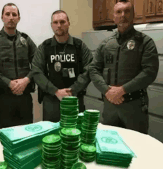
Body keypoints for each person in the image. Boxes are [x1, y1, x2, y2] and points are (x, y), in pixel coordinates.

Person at [89, 0, 159, 134]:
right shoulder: (105, 44)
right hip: (110, 106)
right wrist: (107, 91)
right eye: (118, 12)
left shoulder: (145, 42)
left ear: (133, 15)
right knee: (109, 144)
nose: (123, 15)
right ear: (113, 17)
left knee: (136, 147)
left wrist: (122, 90)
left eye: (127, 11)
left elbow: (149, 72)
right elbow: (93, 69)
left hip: (135, 107)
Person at [31, 10, 93, 122]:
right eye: (55, 22)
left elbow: (89, 69)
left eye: (62, 22)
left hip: (74, 99)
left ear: (68, 23)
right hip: (51, 100)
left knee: (75, 132)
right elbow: (36, 71)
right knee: (52, 134)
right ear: (51, 25)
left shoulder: (79, 46)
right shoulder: (45, 47)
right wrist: (55, 91)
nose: (59, 25)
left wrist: (73, 90)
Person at [0, 3, 37, 130]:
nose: (11, 17)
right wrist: (9, 83)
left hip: (23, 98)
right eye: (7, 14)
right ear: (2, 17)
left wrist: (26, 80)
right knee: (0, 137)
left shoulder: (26, 40)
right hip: (2, 98)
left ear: (19, 18)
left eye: (14, 14)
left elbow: (38, 64)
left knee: (25, 135)